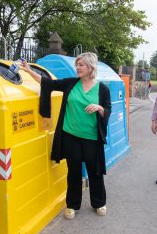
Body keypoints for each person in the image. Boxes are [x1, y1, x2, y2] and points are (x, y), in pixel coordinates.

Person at [20, 52, 111, 220]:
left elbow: (107, 110)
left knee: (95, 172)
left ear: (90, 67)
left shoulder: (103, 89)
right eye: (77, 64)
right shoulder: (71, 83)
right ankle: (72, 205)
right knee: (73, 171)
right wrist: (28, 70)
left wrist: (99, 108)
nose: (77, 68)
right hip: (71, 136)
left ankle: (99, 203)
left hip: (91, 138)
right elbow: (47, 83)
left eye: (81, 65)